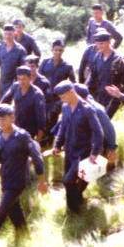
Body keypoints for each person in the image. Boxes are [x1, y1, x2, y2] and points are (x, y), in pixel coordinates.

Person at [0, 105, 48, 247]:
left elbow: (37, 158)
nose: (1, 122)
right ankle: (25, 237)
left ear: (12, 118)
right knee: (14, 211)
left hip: (18, 181)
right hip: (5, 179)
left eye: (4, 119)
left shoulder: (22, 136)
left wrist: (42, 181)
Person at [51, 81, 103, 214]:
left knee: (68, 181)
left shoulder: (87, 109)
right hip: (69, 150)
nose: (61, 99)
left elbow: (98, 132)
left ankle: (75, 211)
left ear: (71, 92)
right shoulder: (65, 107)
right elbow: (63, 127)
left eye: (63, 96)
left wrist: (95, 153)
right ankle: (75, 204)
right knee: (71, 180)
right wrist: (57, 145)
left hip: (83, 152)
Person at [86, 29, 124, 117]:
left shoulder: (118, 59)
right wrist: (87, 92)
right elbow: (93, 76)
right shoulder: (97, 57)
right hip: (100, 95)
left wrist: (121, 96)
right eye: (97, 43)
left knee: (105, 118)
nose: (99, 46)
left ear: (109, 42)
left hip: (113, 97)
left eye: (101, 43)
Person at [1, 66, 47, 141]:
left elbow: (41, 117)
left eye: (24, 79)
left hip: (29, 128)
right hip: (15, 124)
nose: (21, 82)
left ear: (30, 78)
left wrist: (39, 137)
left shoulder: (37, 94)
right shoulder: (15, 86)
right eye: (19, 79)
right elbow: (4, 101)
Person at [74, 84, 117, 164]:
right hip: (82, 141)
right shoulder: (77, 104)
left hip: (95, 144)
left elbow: (109, 129)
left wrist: (112, 148)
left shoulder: (97, 110)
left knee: (91, 166)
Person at [40, 39, 76, 133]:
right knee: (42, 119)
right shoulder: (45, 63)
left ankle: (50, 138)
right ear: (52, 50)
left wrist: (63, 100)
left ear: (63, 51)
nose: (58, 52)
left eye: (60, 50)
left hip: (58, 99)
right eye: (56, 50)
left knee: (52, 119)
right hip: (44, 97)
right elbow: (38, 79)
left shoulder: (67, 66)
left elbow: (73, 84)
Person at [0, 24, 28, 99]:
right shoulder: (1, 47)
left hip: (14, 82)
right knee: (1, 101)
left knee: (9, 102)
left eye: (10, 34)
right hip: (2, 82)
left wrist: (21, 83)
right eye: (5, 34)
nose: (7, 36)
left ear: (14, 34)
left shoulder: (20, 50)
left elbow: (24, 69)